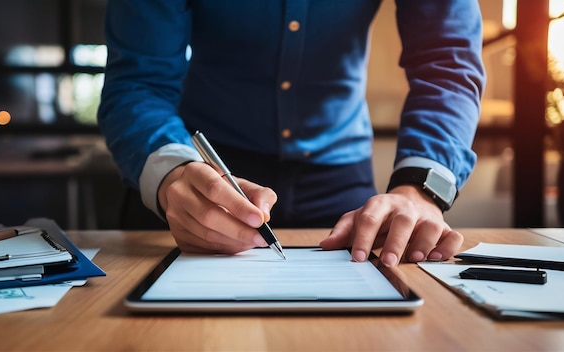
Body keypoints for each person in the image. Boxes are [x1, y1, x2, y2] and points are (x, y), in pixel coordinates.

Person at [98, 0, 485, 267]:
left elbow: (446, 62)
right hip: (200, 179)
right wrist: (172, 173)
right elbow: (137, 80)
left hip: (342, 189)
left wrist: (420, 190)